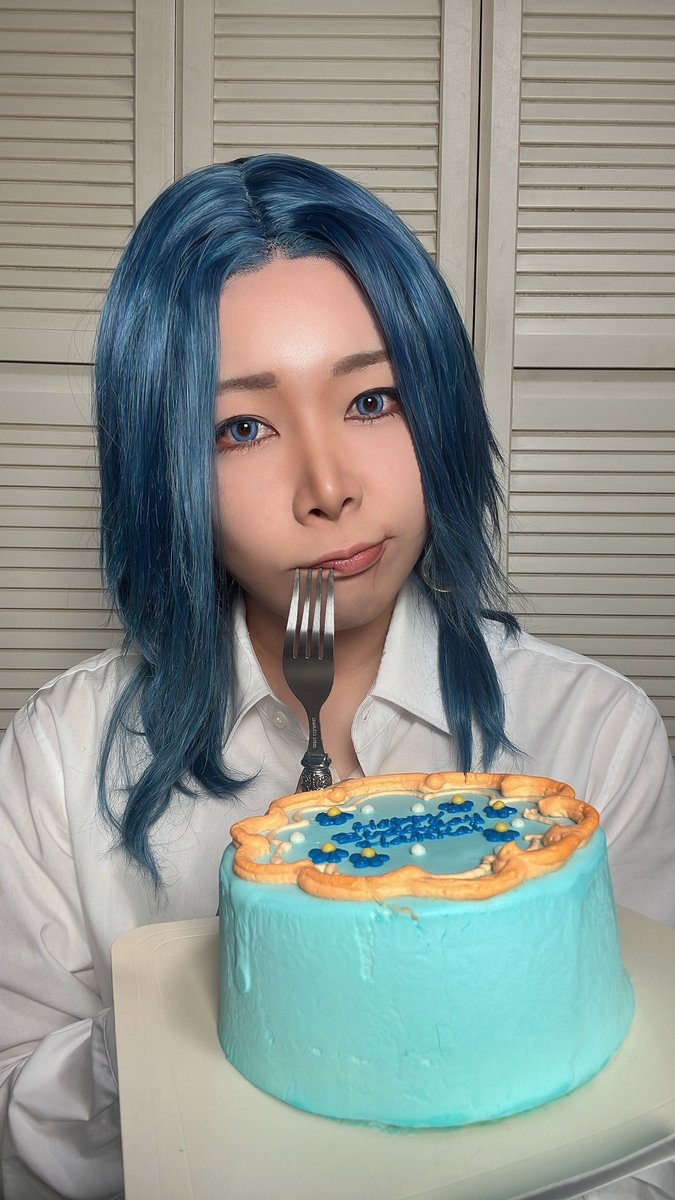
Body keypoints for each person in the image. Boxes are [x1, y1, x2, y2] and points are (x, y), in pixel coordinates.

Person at [0, 155, 673, 1199]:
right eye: (242, 428)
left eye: (373, 399)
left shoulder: (595, 732)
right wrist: (219, 995)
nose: (327, 489)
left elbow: (641, 1127)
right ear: (164, 472)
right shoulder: (60, 754)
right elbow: (17, 1120)